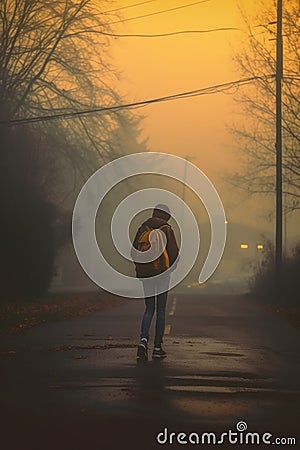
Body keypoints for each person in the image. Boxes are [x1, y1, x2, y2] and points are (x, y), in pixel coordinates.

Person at [132, 204, 179, 360]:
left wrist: (141, 269)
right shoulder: (166, 229)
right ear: (166, 216)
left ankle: (143, 341)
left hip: (146, 275)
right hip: (162, 275)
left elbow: (133, 251)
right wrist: (170, 269)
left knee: (149, 308)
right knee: (161, 309)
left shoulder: (143, 228)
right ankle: (157, 347)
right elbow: (174, 253)